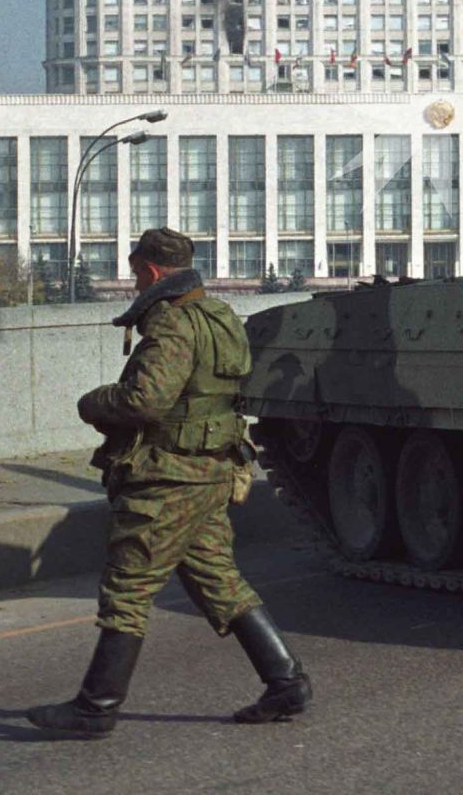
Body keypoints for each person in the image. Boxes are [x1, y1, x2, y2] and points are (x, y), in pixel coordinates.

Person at [27, 228, 311, 736]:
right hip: (210, 471)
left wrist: (93, 402)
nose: (135, 283)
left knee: (128, 588)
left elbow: (145, 401)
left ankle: (96, 709)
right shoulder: (220, 316)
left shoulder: (172, 323)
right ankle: (286, 681)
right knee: (218, 579)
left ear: (152, 271)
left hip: (169, 478)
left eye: (136, 272)